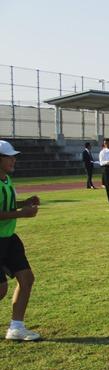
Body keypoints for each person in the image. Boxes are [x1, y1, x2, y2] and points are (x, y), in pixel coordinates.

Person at [0, 141, 41, 341]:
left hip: (9, 238)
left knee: (26, 279)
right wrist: (22, 213)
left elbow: (6, 205)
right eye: (9, 156)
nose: (13, 160)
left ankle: (16, 328)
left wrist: (25, 202)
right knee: (1, 290)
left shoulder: (7, 179)